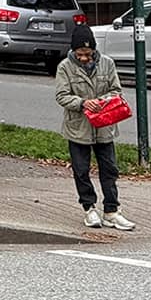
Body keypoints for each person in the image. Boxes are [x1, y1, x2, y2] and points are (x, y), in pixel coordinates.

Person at [54, 25, 135, 231]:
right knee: (81, 170)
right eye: (79, 54)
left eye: (88, 54)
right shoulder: (65, 67)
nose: (84, 58)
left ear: (94, 50)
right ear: (73, 51)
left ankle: (111, 211)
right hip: (78, 127)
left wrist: (103, 101)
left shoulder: (107, 64)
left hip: (104, 126)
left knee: (109, 169)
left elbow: (116, 90)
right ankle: (88, 207)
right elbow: (61, 96)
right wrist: (82, 103)